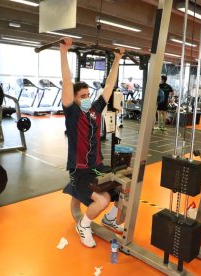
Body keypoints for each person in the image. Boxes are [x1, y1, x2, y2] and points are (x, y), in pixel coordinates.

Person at [60, 37, 125, 248]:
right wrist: (63, 52)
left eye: (88, 94)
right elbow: (67, 82)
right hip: (79, 170)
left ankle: (108, 219)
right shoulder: (72, 112)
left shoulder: (95, 110)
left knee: (127, 189)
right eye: (82, 96)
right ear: (75, 98)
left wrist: (117, 59)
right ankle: (84, 225)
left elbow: (109, 85)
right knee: (103, 200)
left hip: (97, 167)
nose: (87, 98)